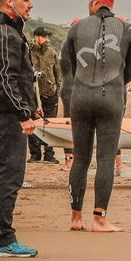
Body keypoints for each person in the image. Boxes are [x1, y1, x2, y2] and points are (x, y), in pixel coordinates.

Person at [62, 0, 131, 233]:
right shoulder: (128, 29)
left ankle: (76, 218)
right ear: (111, 4)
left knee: (81, 158)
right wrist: (114, 84)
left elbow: (68, 66)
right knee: (106, 159)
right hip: (111, 98)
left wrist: (83, 83)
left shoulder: (76, 28)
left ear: (94, 3)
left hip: (81, 97)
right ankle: (99, 219)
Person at [0, 0, 39, 257]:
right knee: (10, 174)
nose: (31, 5)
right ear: (9, 2)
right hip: (5, 113)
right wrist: (22, 113)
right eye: (26, 0)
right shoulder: (4, 32)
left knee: (4, 172)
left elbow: (17, 76)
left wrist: (31, 107)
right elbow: (6, 77)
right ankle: (2, 239)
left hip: (4, 110)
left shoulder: (7, 30)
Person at [28, 26, 63, 164]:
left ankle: (49, 154)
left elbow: (58, 74)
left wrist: (57, 92)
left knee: (50, 124)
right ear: (36, 37)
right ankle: (35, 155)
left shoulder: (52, 52)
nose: (46, 39)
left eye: (47, 37)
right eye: (44, 36)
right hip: (33, 94)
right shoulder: (28, 52)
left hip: (50, 94)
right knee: (33, 124)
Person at [59, 17, 80, 169]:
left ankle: (70, 158)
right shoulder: (74, 45)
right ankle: (70, 159)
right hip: (73, 87)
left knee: (70, 121)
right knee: (73, 123)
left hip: (67, 86)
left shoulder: (65, 44)